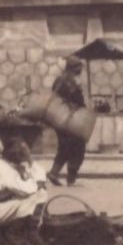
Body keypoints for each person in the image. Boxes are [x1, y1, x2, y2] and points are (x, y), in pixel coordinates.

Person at [0, 138, 49, 245]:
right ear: (17, 155)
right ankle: (22, 233)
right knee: (39, 195)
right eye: (23, 153)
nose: (25, 155)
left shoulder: (2, 165)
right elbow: (28, 190)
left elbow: (35, 180)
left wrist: (30, 162)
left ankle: (21, 231)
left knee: (35, 195)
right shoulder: (4, 168)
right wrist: (30, 161)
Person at [46, 57, 88, 186]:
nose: (80, 71)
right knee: (79, 147)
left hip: (58, 118)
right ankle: (71, 179)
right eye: (79, 68)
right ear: (75, 69)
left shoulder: (58, 80)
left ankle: (54, 172)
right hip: (71, 119)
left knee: (64, 147)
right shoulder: (71, 83)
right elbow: (78, 101)